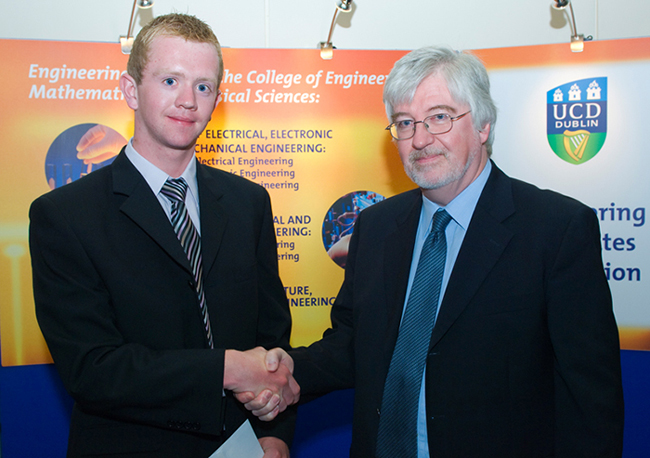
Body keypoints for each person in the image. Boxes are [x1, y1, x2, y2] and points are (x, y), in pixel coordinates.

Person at [243, 46, 625, 457]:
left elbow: (591, 401)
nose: (420, 139)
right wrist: (281, 370)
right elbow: (352, 346)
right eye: (405, 123)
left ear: (482, 125)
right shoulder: (375, 228)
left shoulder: (556, 229)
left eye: (439, 117)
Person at [29, 13, 298, 458]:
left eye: (203, 86)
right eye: (170, 80)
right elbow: (93, 370)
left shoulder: (248, 202)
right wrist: (227, 369)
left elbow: (273, 337)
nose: (188, 100)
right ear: (131, 90)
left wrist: (276, 434)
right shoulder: (65, 215)